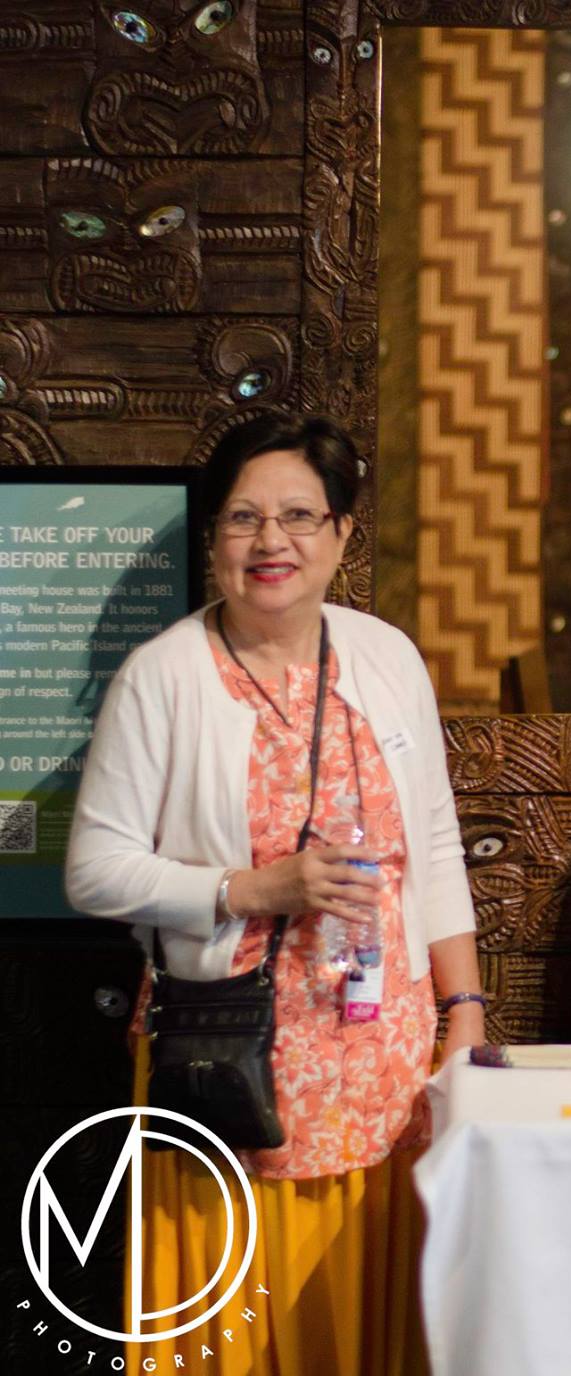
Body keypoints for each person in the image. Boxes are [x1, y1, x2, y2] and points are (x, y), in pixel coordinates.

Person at [65, 411, 485, 1375]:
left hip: (381, 1055)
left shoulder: (387, 657)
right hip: (229, 1059)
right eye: (244, 518)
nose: (271, 542)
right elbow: (94, 869)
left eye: (301, 516)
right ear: (211, 536)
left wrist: (464, 1009)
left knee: (361, 1317)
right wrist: (255, 887)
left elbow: (432, 842)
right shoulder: (162, 678)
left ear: (343, 533)